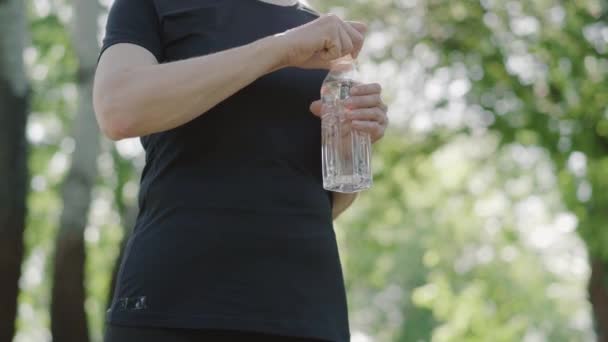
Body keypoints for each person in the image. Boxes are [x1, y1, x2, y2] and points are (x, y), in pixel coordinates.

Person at [94, 0, 389, 341]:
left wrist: (351, 142)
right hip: (172, 306)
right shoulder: (155, 5)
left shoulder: (326, 33)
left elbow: (326, 203)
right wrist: (282, 48)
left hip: (307, 313)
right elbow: (118, 109)